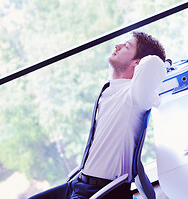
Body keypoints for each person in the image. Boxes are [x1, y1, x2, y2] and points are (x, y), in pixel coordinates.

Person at [29, 31, 166, 199]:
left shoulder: (134, 96)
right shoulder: (111, 90)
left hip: (101, 192)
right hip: (77, 184)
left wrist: (145, 56)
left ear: (137, 63)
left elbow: (155, 63)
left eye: (127, 46)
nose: (117, 46)